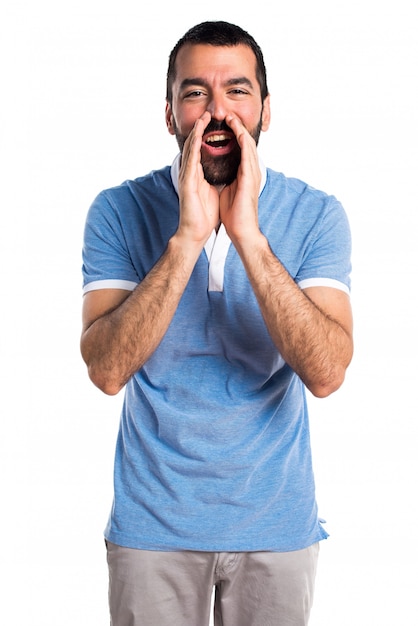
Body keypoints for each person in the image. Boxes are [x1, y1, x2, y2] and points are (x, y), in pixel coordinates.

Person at [80, 20, 353, 626]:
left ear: (265, 109)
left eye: (237, 90)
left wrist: (249, 236)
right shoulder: (118, 210)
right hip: (152, 528)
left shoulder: (316, 214)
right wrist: (187, 239)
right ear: (171, 112)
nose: (218, 110)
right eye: (196, 92)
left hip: (277, 528)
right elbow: (105, 369)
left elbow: (328, 372)